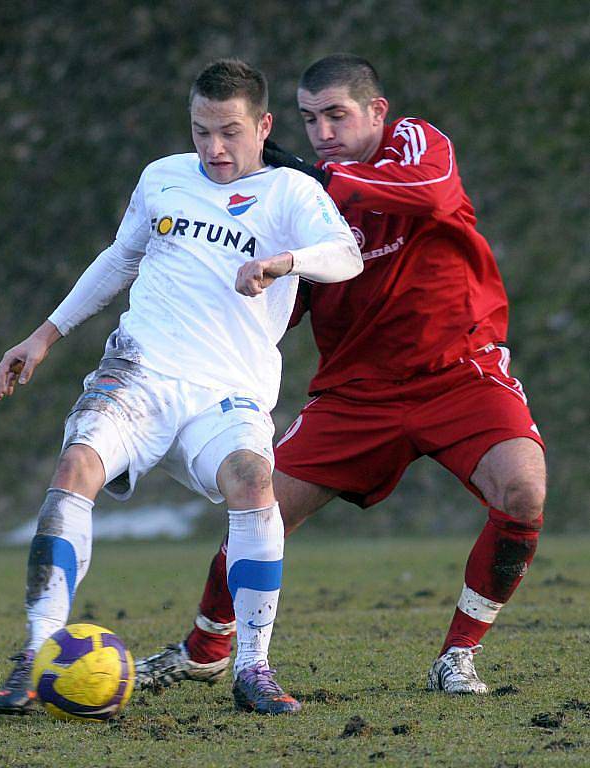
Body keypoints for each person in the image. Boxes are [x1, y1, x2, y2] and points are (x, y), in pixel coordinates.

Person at [135, 54, 546, 696]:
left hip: (458, 375)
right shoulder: (303, 198)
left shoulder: (412, 144)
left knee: (523, 492)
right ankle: (205, 646)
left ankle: (457, 655)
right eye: (308, 119)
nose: (322, 131)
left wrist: (329, 178)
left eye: (336, 115)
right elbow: (282, 303)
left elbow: (433, 195)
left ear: (376, 112)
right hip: (355, 396)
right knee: (259, 509)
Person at [0, 58, 362, 717]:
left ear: (262, 125)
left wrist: (283, 262)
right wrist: (44, 334)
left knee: (251, 481)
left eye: (229, 132)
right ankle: (37, 656)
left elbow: (345, 256)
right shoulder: (162, 178)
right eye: (200, 131)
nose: (213, 148)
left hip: (227, 391)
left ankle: (252, 668)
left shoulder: (292, 194)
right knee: (75, 467)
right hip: (139, 373)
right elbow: (119, 258)